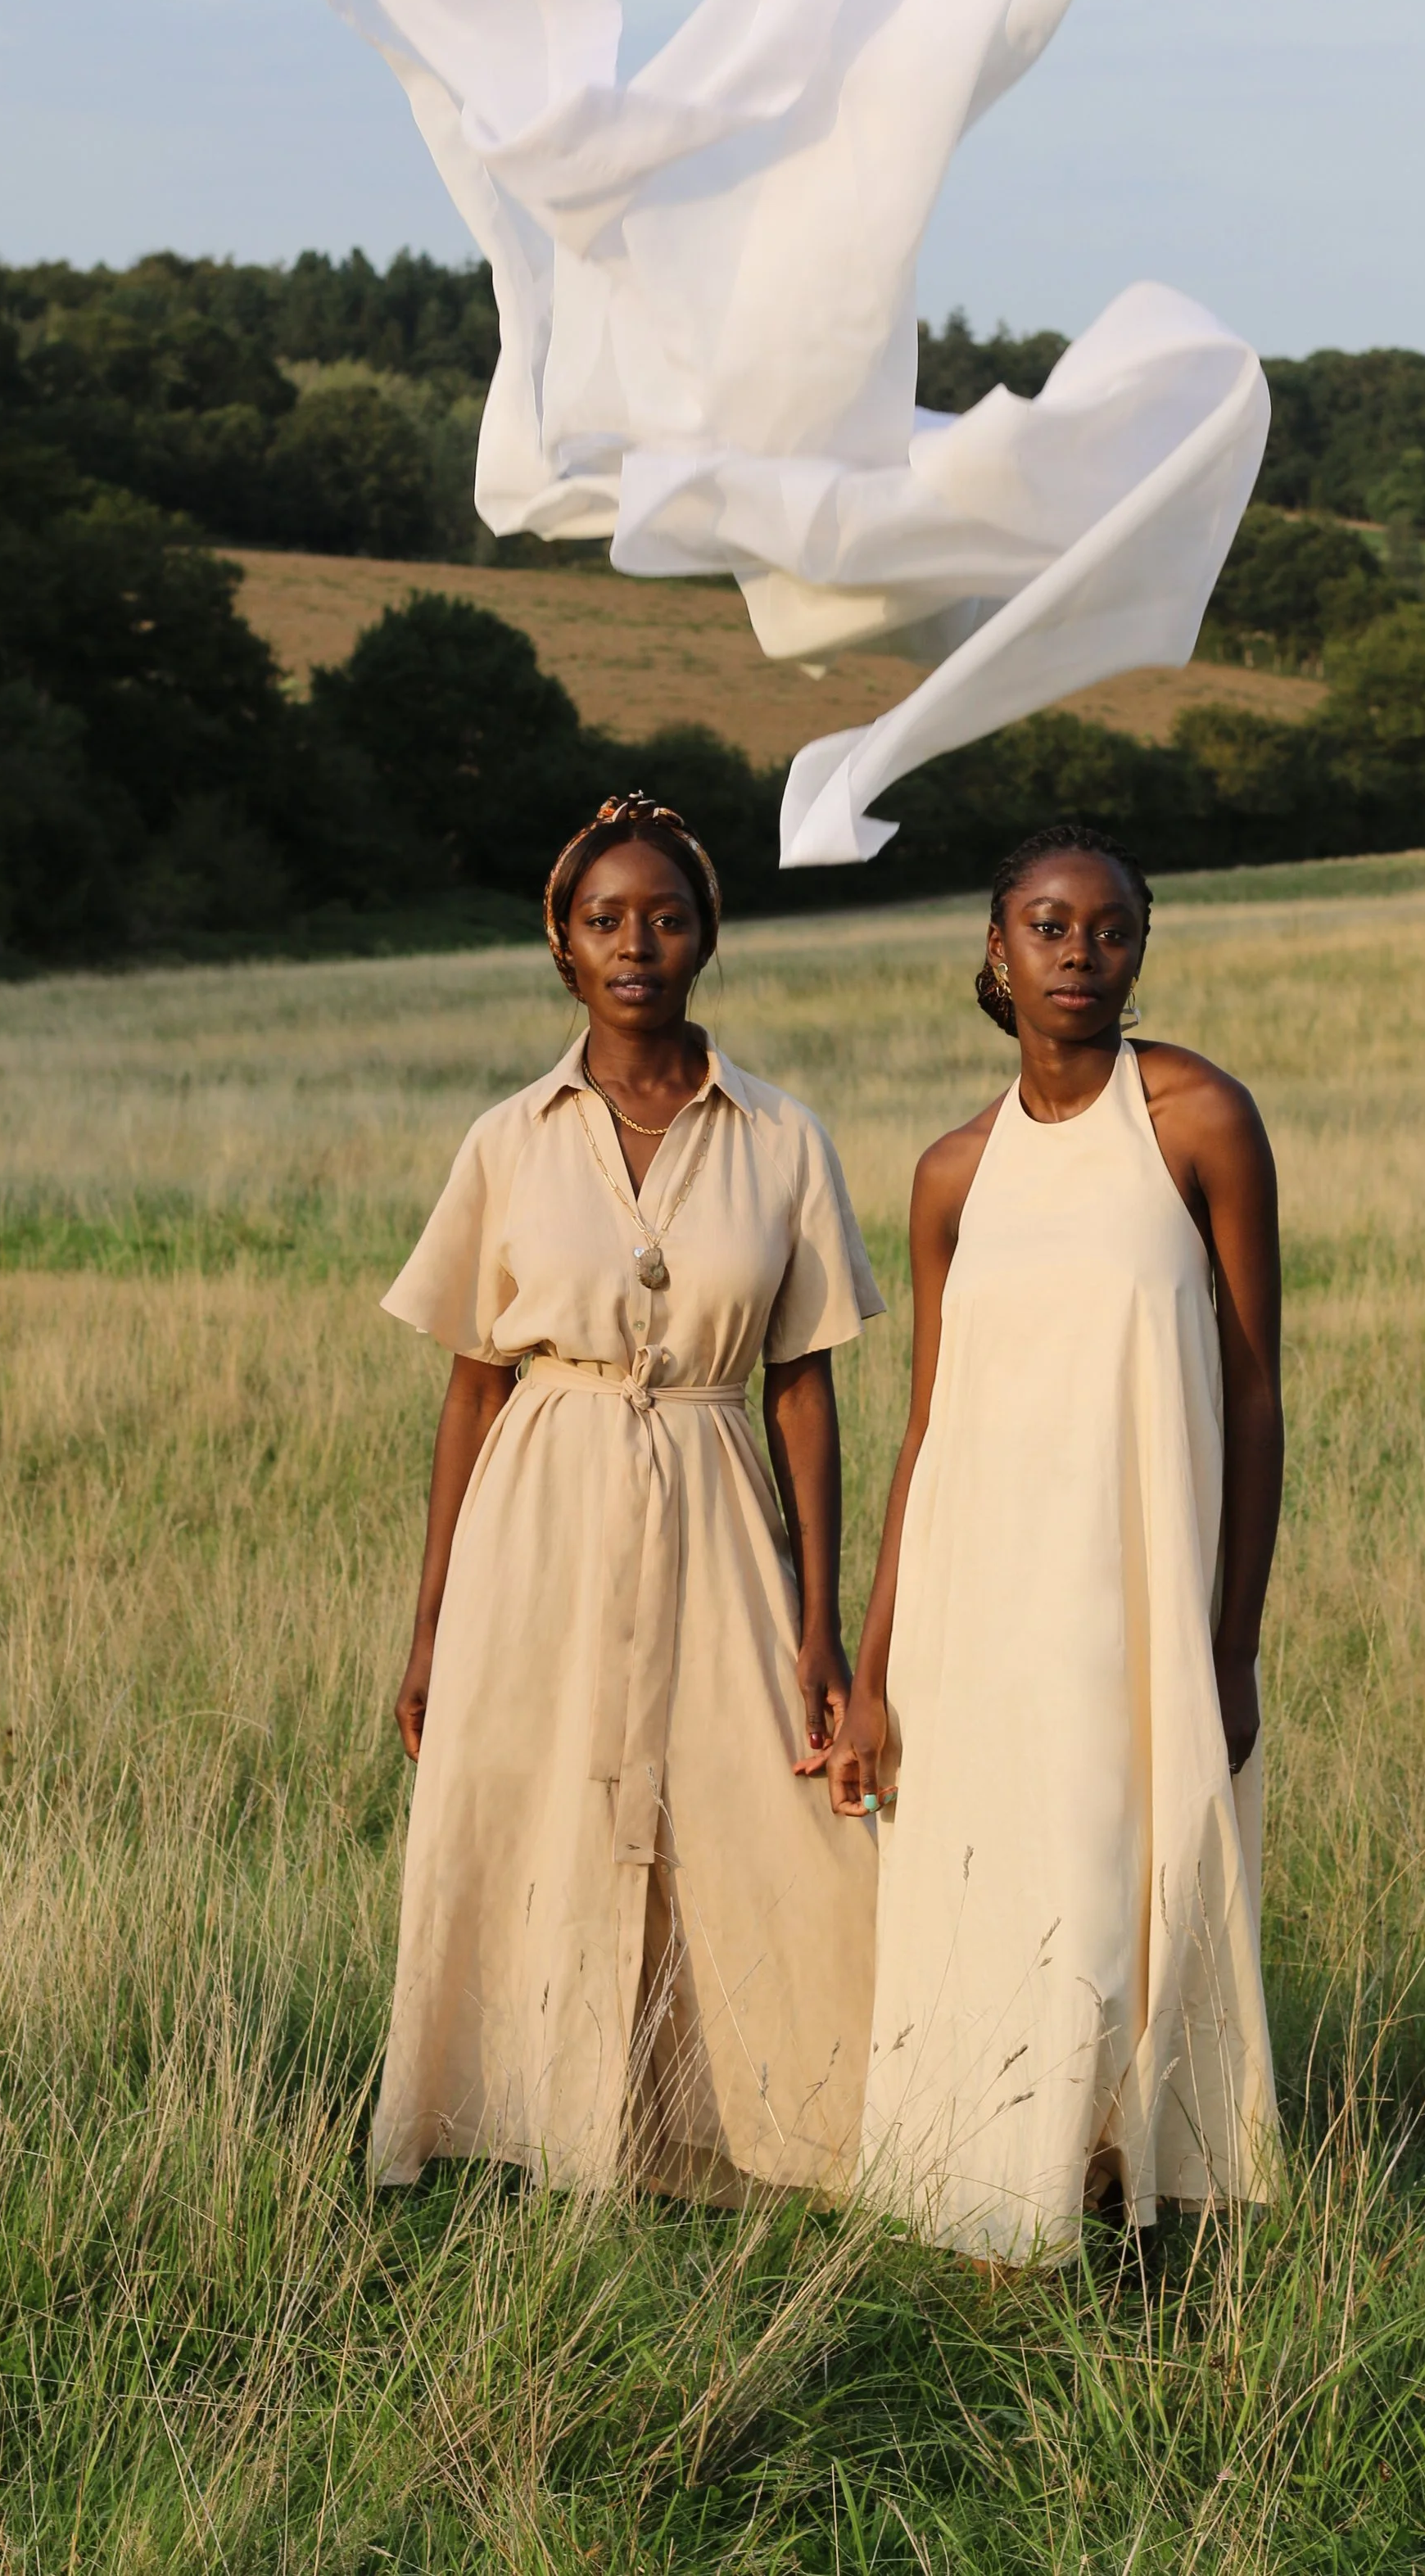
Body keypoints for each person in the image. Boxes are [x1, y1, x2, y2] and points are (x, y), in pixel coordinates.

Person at [372, 792, 884, 2199]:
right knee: (527, 1798)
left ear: (707, 935)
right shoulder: (511, 1136)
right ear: (563, 942)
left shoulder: (782, 1136)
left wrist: (820, 1620)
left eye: (665, 916)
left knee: (760, 1807)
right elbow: (473, 1385)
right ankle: (522, 2119)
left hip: (716, 1494)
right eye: (606, 919)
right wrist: (430, 1623)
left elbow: (802, 1388)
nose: (636, 943)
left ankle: (812, 2126)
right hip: (539, 1503)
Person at [827, 823, 1286, 2262]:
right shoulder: (953, 1173)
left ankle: (1138, 2200)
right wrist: (871, 1673)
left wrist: (1231, 1644)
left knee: (1111, 1885)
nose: (1080, 952)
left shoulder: (1199, 1118)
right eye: (1048, 924)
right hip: (975, 1610)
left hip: (1134, 1603)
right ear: (996, 948)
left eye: (1110, 928)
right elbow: (925, 1433)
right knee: (995, 1890)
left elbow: (1257, 1393)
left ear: (1141, 947)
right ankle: (998, 2212)